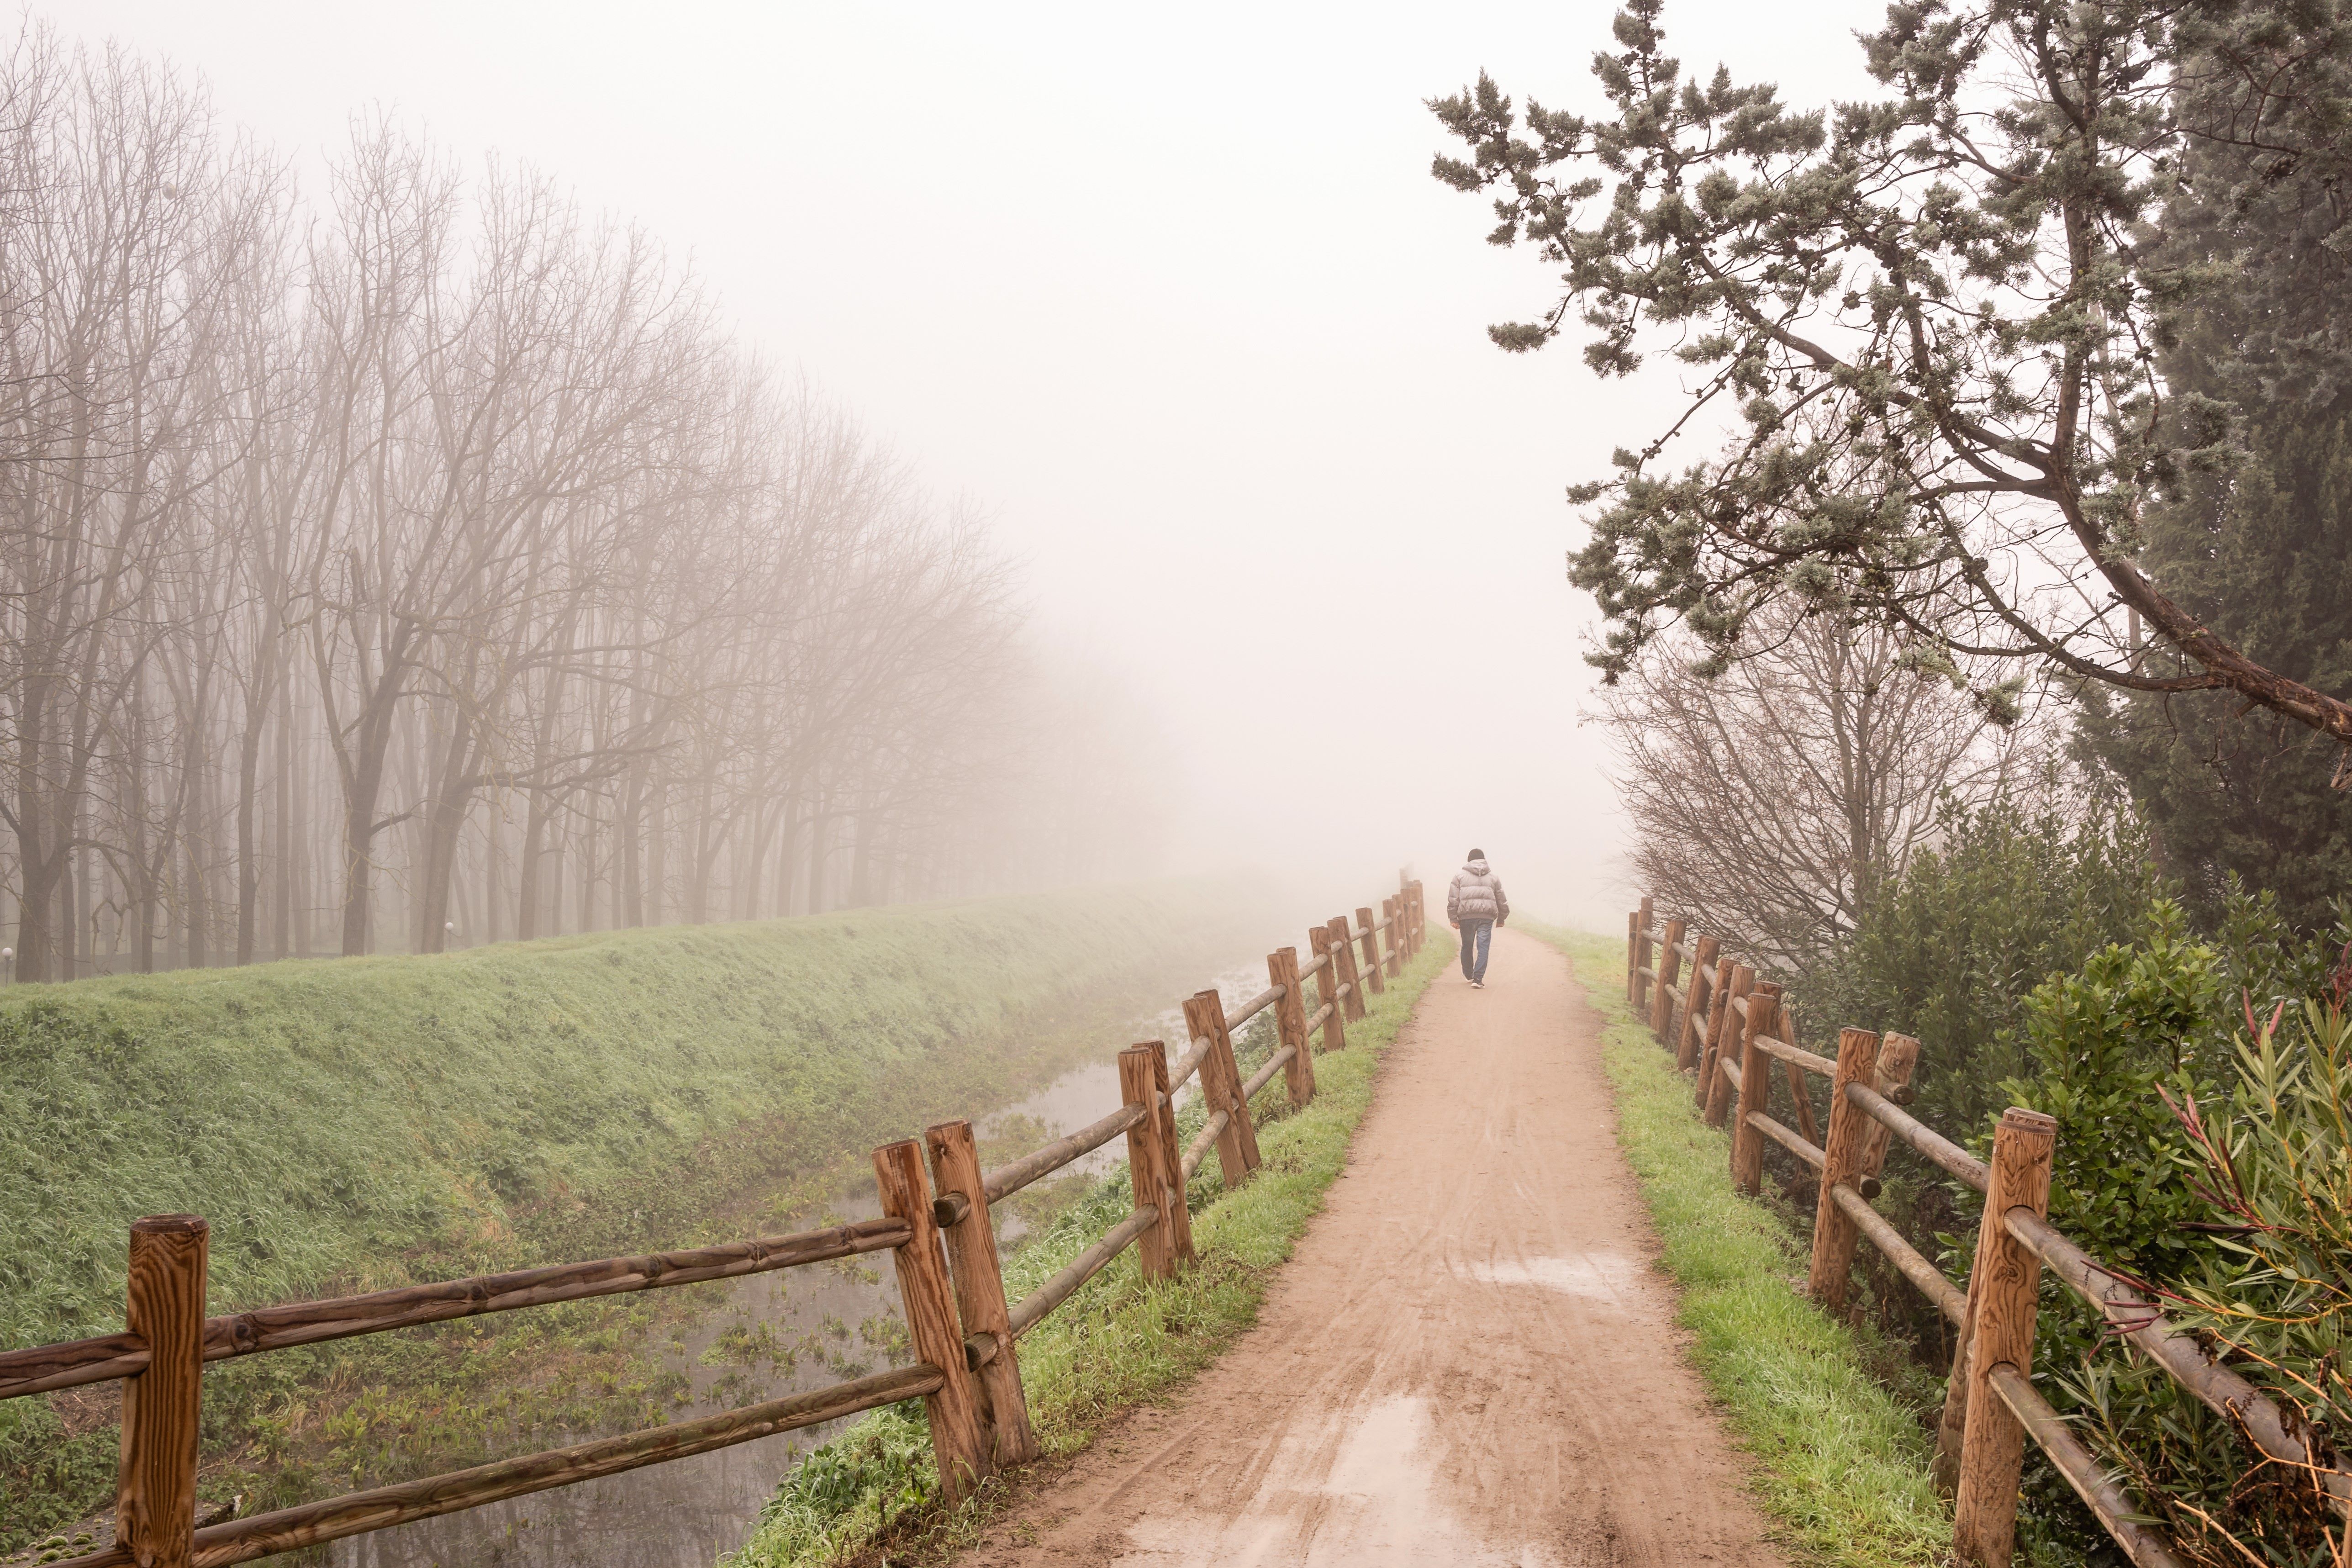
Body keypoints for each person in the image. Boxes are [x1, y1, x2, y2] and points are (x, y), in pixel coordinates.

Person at [1446, 848, 1508, 988]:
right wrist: (1502, 918)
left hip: (1466, 917)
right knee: (1483, 947)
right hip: (1486, 917)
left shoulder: (1459, 876)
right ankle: (1478, 979)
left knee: (1467, 946)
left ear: (1469, 860)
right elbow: (1501, 899)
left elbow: (1453, 899)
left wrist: (1453, 918)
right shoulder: (1493, 877)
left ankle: (1469, 975)